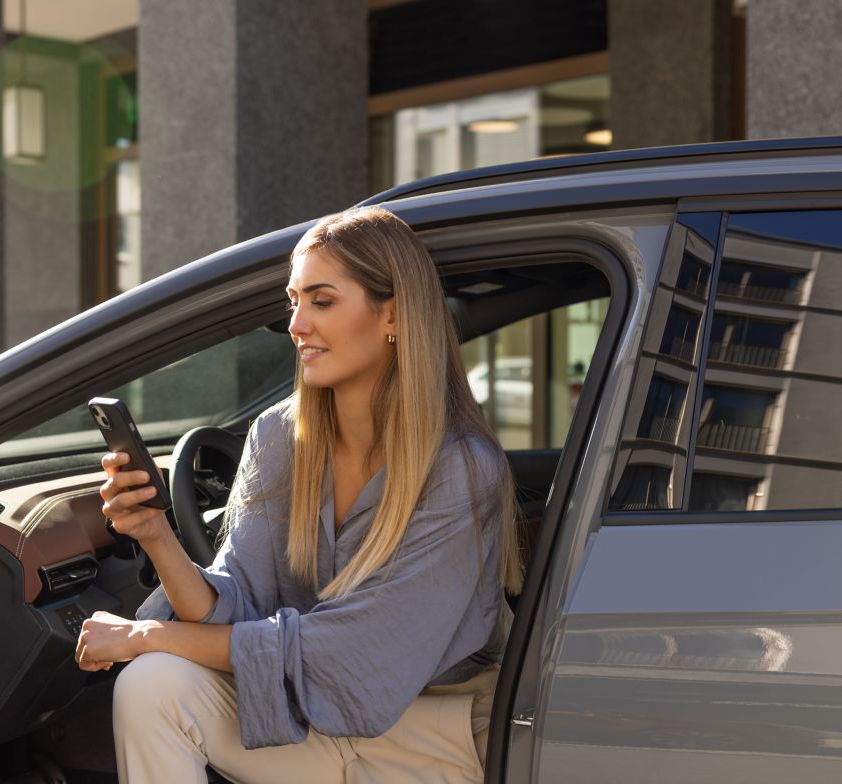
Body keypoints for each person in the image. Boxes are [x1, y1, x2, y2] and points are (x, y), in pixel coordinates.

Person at [74, 205, 523, 783]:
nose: (296, 324)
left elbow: (356, 655)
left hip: (434, 737)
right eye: (293, 301)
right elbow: (234, 606)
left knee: (154, 657)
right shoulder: (278, 438)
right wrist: (155, 533)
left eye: (322, 301)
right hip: (305, 720)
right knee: (152, 686)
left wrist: (147, 635)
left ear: (392, 314)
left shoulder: (461, 468)